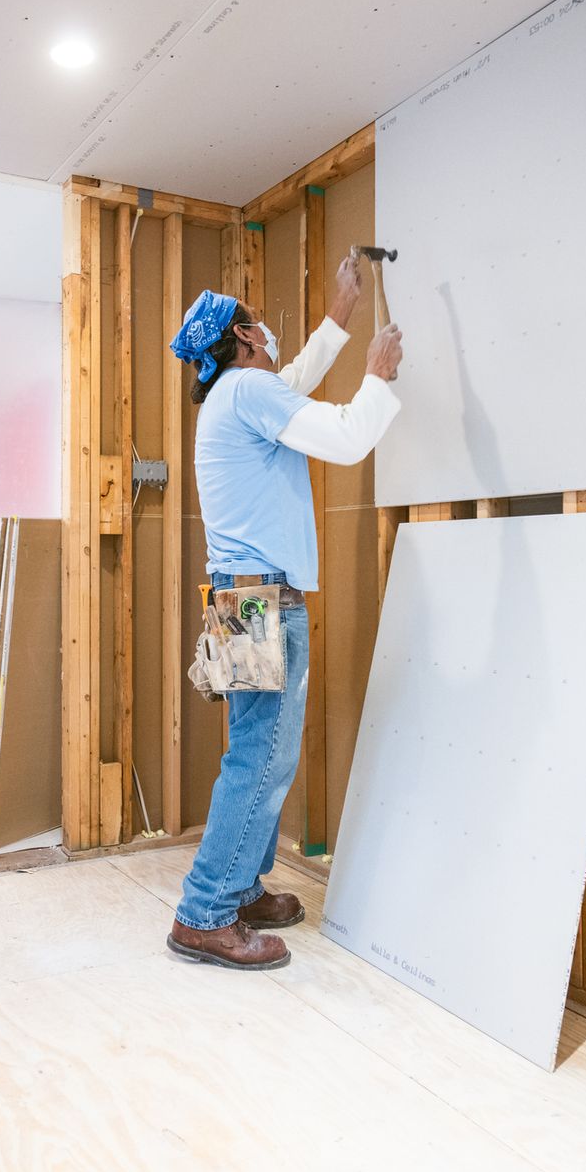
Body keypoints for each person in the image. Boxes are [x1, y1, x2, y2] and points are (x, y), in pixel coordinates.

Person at [165, 256, 405, 970]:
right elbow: (343, 437)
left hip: (243, 598)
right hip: (262, 600)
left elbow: (292, 380)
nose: (268, 330)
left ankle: (238, 890)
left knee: (256, 753)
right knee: (262, 759)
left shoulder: (233, 395)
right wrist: (377, 374)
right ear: (242, 337)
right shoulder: (247, 391)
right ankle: (204, 914)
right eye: (257, 322)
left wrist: (338, 311)